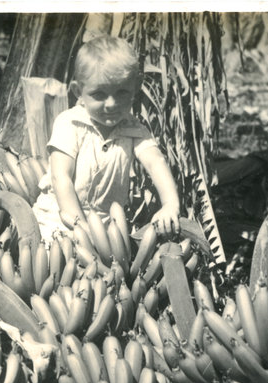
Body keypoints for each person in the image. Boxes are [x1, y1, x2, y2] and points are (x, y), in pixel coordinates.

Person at [33, 35, 181, 243]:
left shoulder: (132, 128)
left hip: (106, 227)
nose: (111, 104)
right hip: (57, 222)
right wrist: (81, 228)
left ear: (136, 86)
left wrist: (170, 205)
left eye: (121, 93)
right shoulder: (70, 124)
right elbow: (62, 178)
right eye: (99, 94)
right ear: (78, 91)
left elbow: (155, 162)